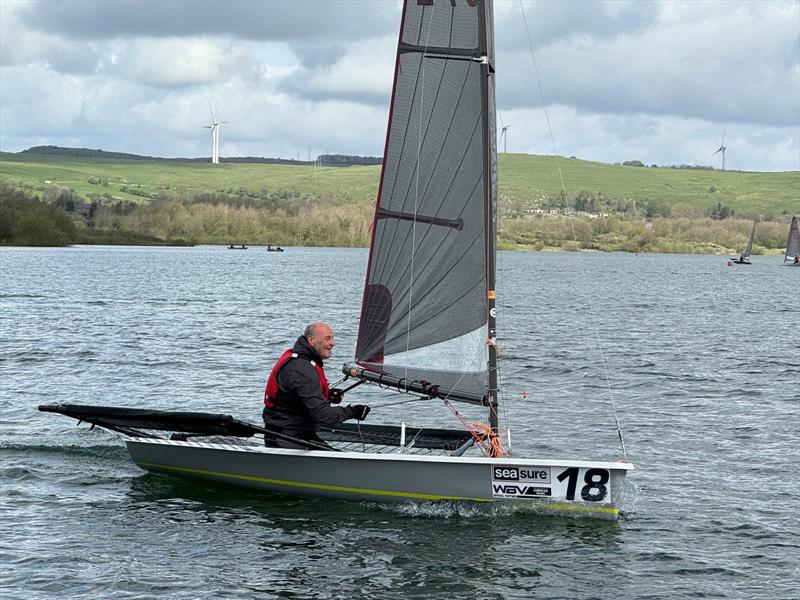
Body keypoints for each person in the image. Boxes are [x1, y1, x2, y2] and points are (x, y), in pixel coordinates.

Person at [263, 322, 370, 449]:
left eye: (332, 338)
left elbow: (295, 396)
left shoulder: (300, 360)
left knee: (336, 456)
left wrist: (326, 395)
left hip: (297, 433)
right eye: (327, 338)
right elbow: (324, 416)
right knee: (338, 462)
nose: (333, 343)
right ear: (311, 340)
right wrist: (353, 411)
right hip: (285, 438)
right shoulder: (302, 369)